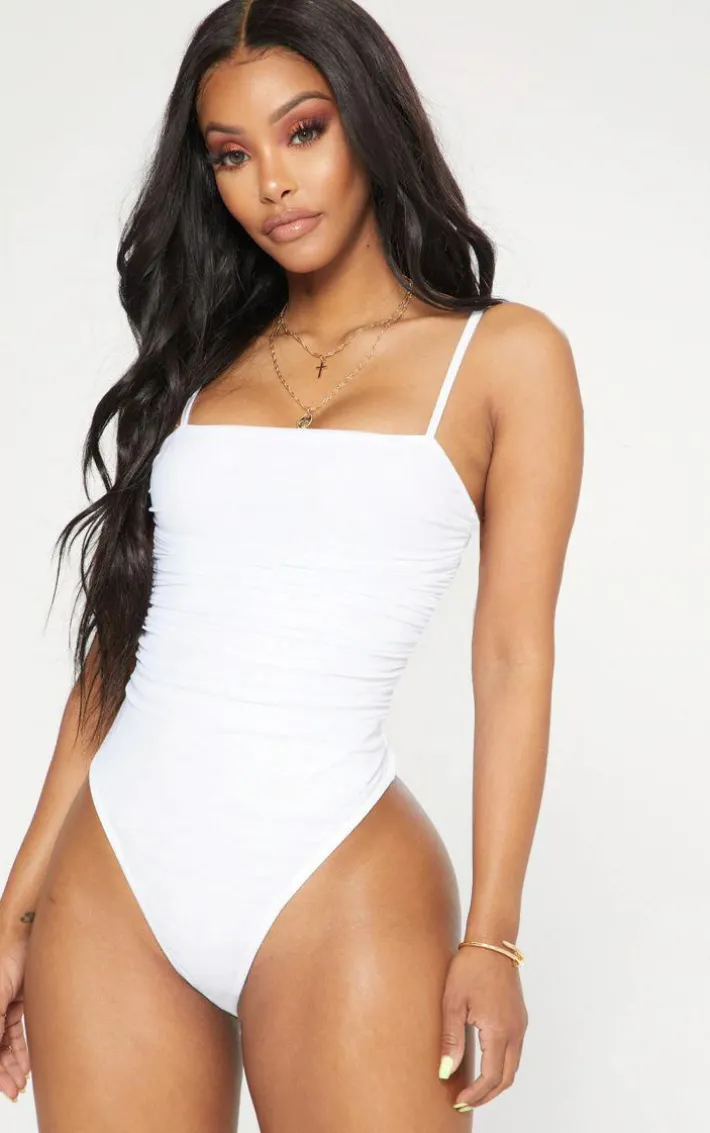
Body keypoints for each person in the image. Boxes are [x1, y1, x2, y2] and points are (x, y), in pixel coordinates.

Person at [0, 0, 583, 1128]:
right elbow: (119, 645)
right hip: (114, 873)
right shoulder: (200, 356)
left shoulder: (504, 356)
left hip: (337, 874)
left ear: (369, 121)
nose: (271, 181)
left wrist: (494, 934)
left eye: (303, 131)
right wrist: (16, 907)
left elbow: (513, 653)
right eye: (231, 154)